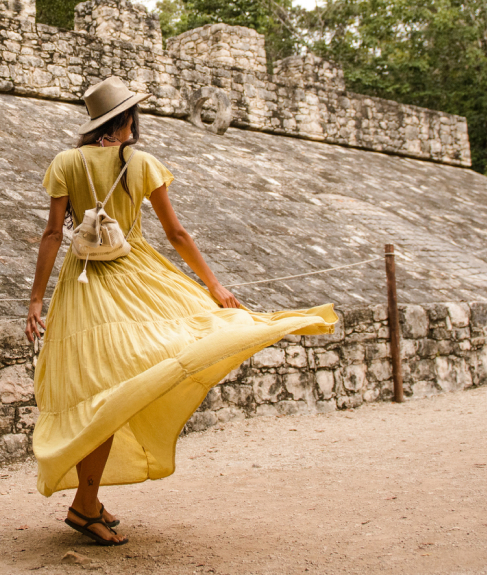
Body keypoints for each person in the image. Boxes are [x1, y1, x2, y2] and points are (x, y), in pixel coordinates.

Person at [24, 77, 338, 546]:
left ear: (96, 123)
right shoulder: (142, 164)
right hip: (136, 278)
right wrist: (214, 286)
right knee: (126, 386)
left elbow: (52, 235)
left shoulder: (66, 162)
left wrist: (34, 301)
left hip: (83, 283)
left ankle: (86, 502)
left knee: (101, 391)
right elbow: (177, 235)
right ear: (127, 120)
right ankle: (85, 506)